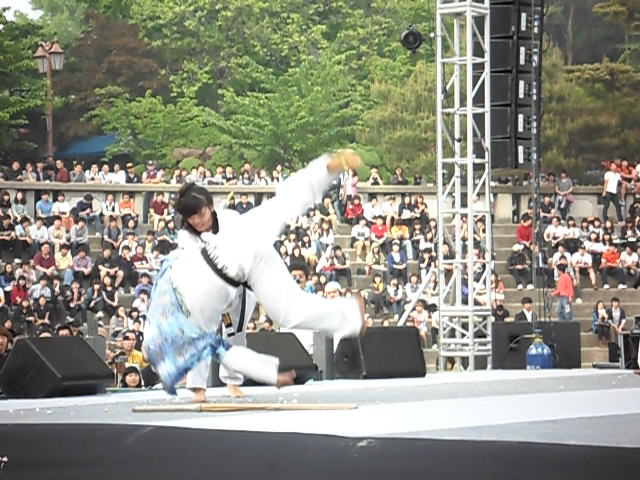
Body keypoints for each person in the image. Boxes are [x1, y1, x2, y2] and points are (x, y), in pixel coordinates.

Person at [145, 150, 366, 401]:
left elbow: (287, 200)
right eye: (192, 218)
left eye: (202, 214)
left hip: (253, 265)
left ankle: (350, 314)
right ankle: (198, 387)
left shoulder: (239, 223)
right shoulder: (187, 244)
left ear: (211, 207)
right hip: (220, 286)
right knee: (206, 331)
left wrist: (330, 167)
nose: (198, 221)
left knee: (285, 313)